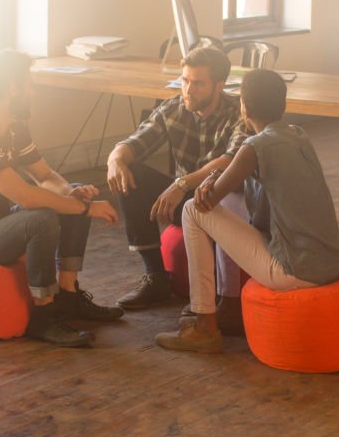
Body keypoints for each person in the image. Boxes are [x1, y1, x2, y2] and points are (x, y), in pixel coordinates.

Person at [0, 50, 122, 348]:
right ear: (12, 87)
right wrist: (86, 208)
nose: (32, 90)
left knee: (68, 192)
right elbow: (24, 195)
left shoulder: (13, 128)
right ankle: (44, 315)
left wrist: (73, 195)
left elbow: (45, 177)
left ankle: (69, 295)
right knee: (41, 219)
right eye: (29, 83)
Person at [155, 69, 339, 353]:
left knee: (190, 210)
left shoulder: (253, 147)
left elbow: (206, 203)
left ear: (243, 106)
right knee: (220, 202)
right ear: (282, 104)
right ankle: (225, 305)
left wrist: (209, 185)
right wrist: (219, 182)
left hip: (295, 270)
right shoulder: (298, 136)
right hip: (333, 260)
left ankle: (204, 326)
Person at [106, 47, 250, 317]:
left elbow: (229, 161)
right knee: (130, 172)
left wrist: (182, 183)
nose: (188, 90)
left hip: (223, 201)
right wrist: (115, 159)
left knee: (218, 192)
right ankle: (156, 278)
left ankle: (220, 298)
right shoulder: (174, 108)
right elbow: (136, 142)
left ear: (219, 85)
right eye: (184, 80)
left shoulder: (237, 114)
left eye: (197, 83)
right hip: (184, 199)